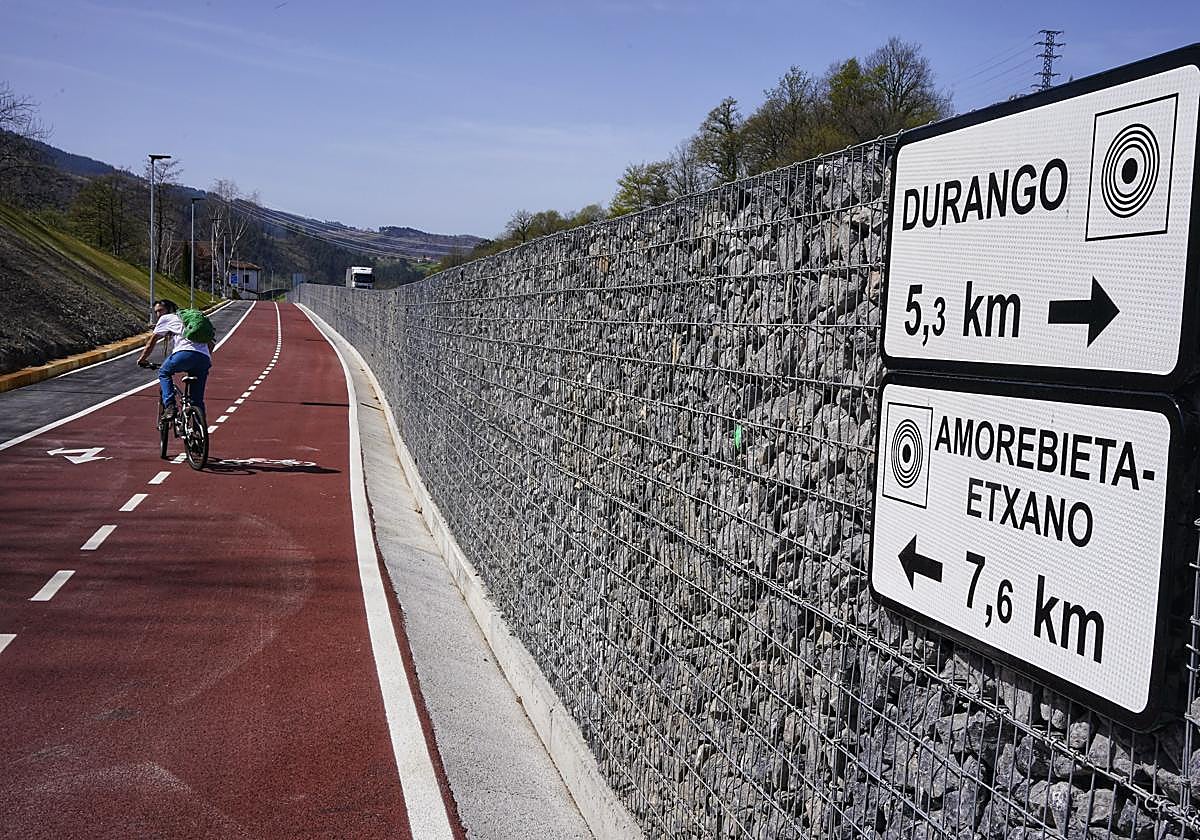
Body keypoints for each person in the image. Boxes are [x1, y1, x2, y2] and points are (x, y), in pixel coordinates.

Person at [135, 298, 213, 418]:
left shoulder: (167, 318)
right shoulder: (189, 320)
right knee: (197, 400)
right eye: (156, 312)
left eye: (160, 310)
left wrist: (142, 359)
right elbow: (211, 344)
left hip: (183, 354)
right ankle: (199, 431)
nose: (158, 314)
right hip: (203, 358)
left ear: (170, 309)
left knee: (164, 372)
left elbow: (152, 341)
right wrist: (204, 359)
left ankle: (170, 406)